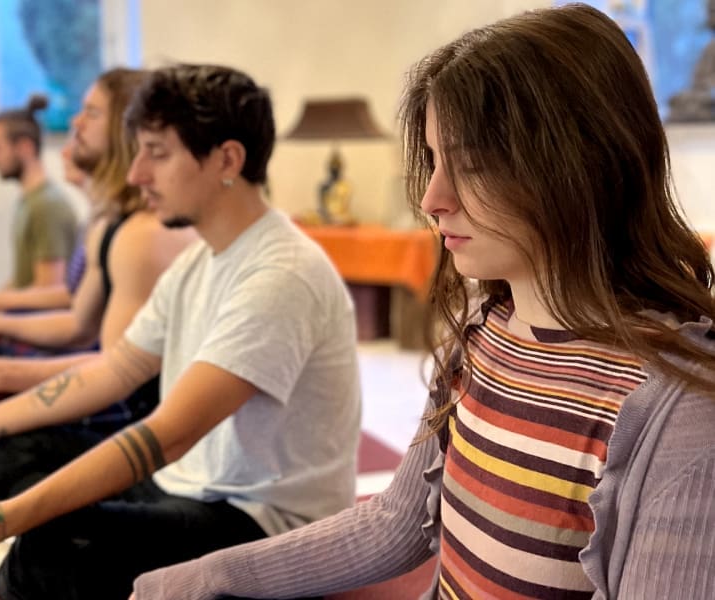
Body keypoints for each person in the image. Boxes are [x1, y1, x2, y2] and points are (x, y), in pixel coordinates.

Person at [125, 5, 715, 599]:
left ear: (579, 164)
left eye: (473, 163)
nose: (433, 199)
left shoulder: (679, 409)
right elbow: (399, 521)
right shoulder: (486, 335)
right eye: (434, 161)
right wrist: (218, 572)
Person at [0, 63, 362, 599]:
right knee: (17, 449)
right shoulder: (200, 260)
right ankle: (13, 547)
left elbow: (167, 434)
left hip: (263, 528)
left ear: (228, 159)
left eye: (157, 153)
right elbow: (117, 368)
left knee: (55, 545)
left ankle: (2, 559)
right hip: (185, 484)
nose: (136, 174)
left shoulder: (281, 274)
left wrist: (4, 519)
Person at [0, 67, 197, 511]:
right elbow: (77, 323)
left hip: (143, 419)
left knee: (13, 443)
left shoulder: (139, 235)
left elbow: (117, 375)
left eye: (90, 113)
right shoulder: (111, 224)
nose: (74, 125)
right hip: (123, 394)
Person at [0, 94, 79, 318]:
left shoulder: (47, 207)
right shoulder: (30, 203)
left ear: (25, 148)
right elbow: (23, 281)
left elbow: (50, 288)